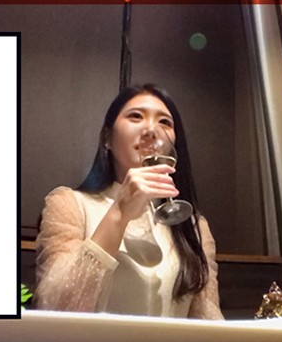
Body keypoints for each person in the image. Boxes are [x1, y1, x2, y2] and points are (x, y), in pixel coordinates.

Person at [35, 84, 223, 319]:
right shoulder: (69, 204)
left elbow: (208, 320)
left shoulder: (193, 226)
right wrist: (119, 212)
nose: (151, 129)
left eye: (165, 122)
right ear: (107, 138)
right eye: (135, 116)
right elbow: (56, 308)